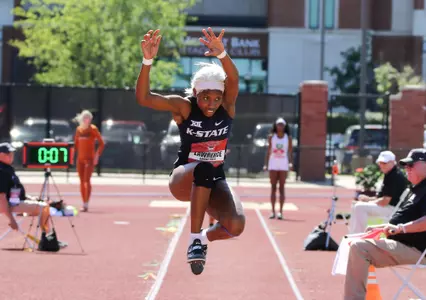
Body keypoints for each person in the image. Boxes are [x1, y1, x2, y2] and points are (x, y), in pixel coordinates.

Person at [136, 28, 245, 275]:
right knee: (204, 168)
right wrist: (147, 61)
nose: (211, 105)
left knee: (236, 225)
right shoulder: (185, 107)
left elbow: (234, 80)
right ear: (196, 94)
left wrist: (223, 54)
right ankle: (194, 239)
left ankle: (204, 238)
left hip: (214, 180)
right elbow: (144, 98)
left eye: (216, 99)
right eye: (206, 98)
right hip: (184, 179)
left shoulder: (227, 107)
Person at [344, 149, 426, 299]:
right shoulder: (415, 189)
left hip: (416, 250)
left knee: (359, 248)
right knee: (351, 242)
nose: (407, 169)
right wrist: (381, 227)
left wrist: (401, 228)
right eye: (405, 166)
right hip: (402, 244)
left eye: (411, 165)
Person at [0, 143, 67, 248]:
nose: (11, 155)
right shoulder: (2, 171)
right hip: (7, 205)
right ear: (1, 155)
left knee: (45, 205)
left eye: (12, 153)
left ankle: (48, 239)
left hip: (14, 202)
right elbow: (2, 197)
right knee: (44, 208)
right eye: (8, 154)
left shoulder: (7, 168)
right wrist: (11, 220)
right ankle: (47, 241)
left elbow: (13, 191)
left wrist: (31, 198)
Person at [348, 150, 409, 234]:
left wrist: (368, 201)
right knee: (356, 205)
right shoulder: (390, 174)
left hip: (392, 209)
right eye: (380, 163)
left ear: (392, 162)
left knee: (359, 207)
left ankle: (357, 235)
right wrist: (367, 199)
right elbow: (382, 197)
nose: (381, 165)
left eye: (384, 163)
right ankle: (353, 234)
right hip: (389, 206)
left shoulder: (394, 176)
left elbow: (384, 201)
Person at [74, 110, 105, 212]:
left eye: (89, 118)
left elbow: (101, 143)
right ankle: (83, 202)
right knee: (81, 181)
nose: (87, 120)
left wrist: (97, 156)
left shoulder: (93, 129)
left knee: (87, 181)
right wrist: (72, 157)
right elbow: (76, 145)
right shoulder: (79, 130)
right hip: (80, 159)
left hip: (89, 159)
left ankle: (86, 203)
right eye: (85, 118)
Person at [264, 117, 293, 220]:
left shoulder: (287, 138)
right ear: (275, 126)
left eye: (282, 125)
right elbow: (268, 151)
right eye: (278, 124)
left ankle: (280, 212)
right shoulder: (272, 137)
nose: (280, 126)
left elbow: (290, 151)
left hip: (283, 163)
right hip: (273, 163)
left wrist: (290, 163)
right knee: (273, 187)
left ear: (284, 126)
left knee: (282, 188)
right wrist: (266, 164)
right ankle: (272, 211)